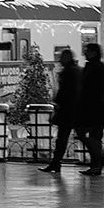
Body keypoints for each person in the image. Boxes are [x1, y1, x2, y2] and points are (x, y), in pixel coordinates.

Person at [42, 45, 82, 174]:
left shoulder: (66, 72)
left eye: (61, 57)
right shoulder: (78, 70)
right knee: (81, 136)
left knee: (62, 138)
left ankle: (56, 163)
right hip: (77, 109)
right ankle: (97, 159)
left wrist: (57, 103)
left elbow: (64, 92)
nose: (59, 59)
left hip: (67, 111)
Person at [77, 43, 104, 176]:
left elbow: (86, 88)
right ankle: (97, 163)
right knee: (94, 137)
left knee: (88, 135)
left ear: (93, 52)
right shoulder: (101, 67)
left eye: (87, 51)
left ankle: (98, 162)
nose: (85, 53)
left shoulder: (93, 67)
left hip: (93, 109)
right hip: (100, 108)